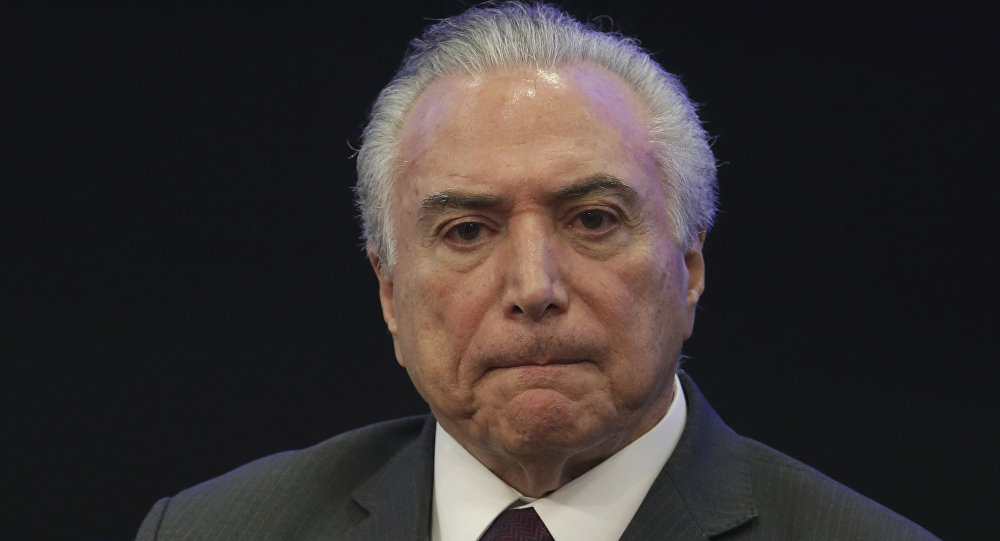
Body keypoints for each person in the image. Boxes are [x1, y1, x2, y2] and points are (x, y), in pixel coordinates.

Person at [136, 3, 940, 540]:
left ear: (690, 265)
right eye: (466, 231)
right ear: (389, 292)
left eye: (593, 220)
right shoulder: (210, 530)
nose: (533, 287)